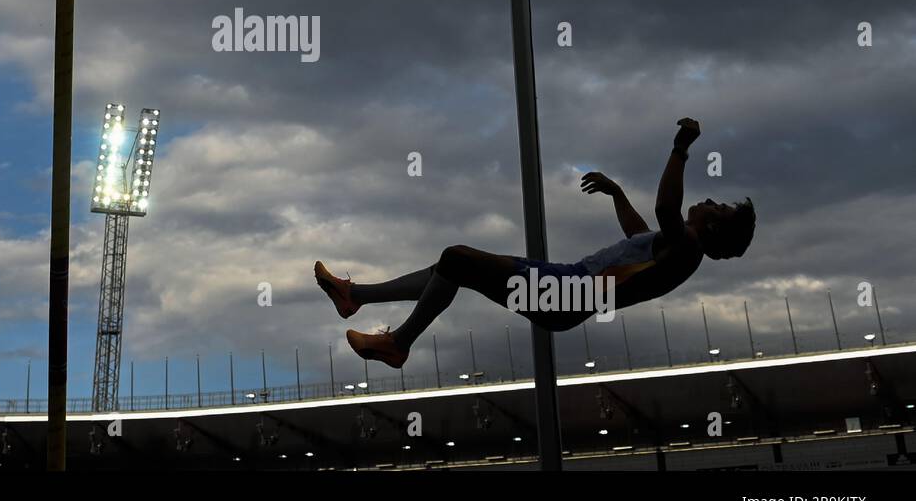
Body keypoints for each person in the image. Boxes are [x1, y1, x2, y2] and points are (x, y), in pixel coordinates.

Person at [315, 118, 755, 369]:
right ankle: (355, 296)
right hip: (563, 286)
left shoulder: (689, 249)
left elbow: (665, 210)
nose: (711, 201)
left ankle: (399, 342)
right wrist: (618, 192)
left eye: (719, 209)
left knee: (455, 258)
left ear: (715, 231)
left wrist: (680, 149)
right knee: (450, 268)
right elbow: (642, 233)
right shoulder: (674, 250)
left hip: (565, 294)